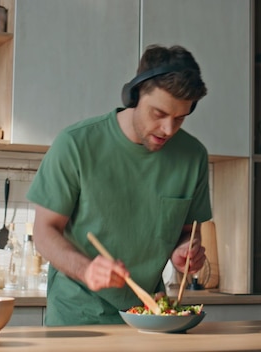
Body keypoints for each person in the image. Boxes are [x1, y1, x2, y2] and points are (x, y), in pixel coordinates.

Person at [26, 44, 212, 326]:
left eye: (180, 118)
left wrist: (186, 251)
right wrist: (86, 269)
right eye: (158, 114)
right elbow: (44, 231)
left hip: (151, 318)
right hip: (78, 320)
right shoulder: (76, 144)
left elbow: (188, 232)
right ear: (134, 95)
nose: (168, 129)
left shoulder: (193, 156)